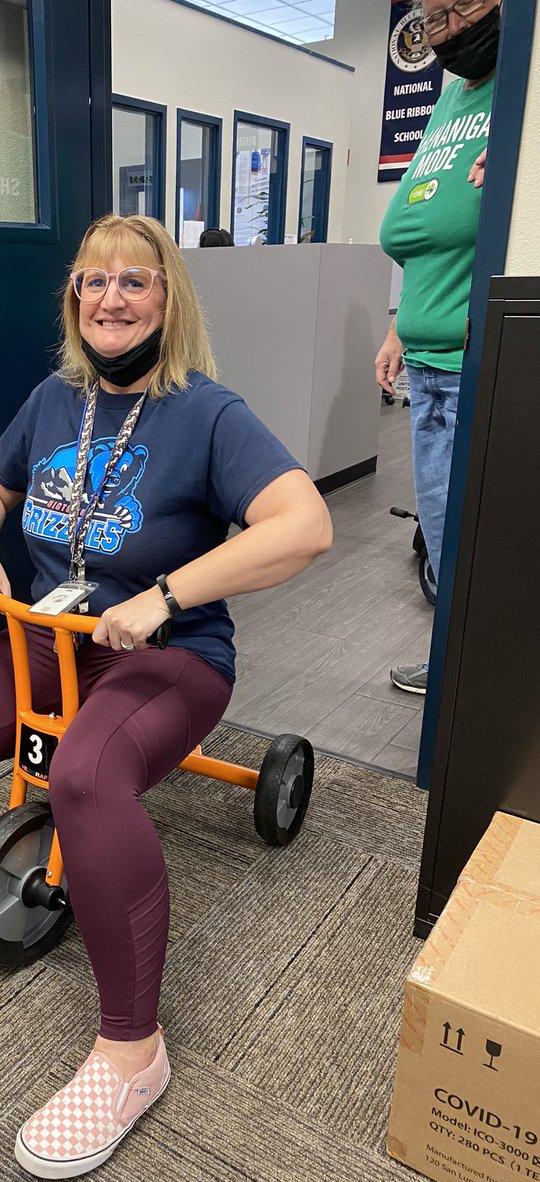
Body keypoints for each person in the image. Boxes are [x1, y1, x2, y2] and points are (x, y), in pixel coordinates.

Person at [0, 214, 332, 1180]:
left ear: (169, 298)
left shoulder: (207, 412)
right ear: (74, 299)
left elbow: (306, 525)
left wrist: (165, 597)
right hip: (49, 642)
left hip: (170, 659)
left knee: (84, 779)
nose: (111, 299)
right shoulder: (52, 399)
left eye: (135, 282)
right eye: (92, 283)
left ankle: (133, 1052)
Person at [376, 0, 499, 695]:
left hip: (475, 367)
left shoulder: (526, 93)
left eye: (464, 6)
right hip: (426, 367)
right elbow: (424, 228)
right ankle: (460, 662)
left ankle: (476, 684)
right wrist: (399, 327)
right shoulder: (451, 100)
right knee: (448, 544)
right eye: (432, 17)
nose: (448, 27)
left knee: (478, 546)